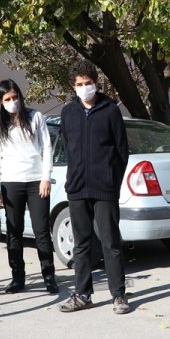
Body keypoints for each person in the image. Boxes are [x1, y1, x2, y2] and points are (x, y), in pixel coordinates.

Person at [58, 59, 131, 315]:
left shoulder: (111, 111)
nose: (84, 87)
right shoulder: (68, 113)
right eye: (79, 84)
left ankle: (118, 295)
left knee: (110, 242)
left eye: (88, 83)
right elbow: (67, 147)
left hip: (105, 189)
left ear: (96, 83)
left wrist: (112, 181)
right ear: (73, 86)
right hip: (77, 188)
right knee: (81, 244)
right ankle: (82, 294)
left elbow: (122, 151)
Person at [0, 79, 59, 294]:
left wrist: (46, 177)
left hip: (37, 182)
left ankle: (49, 276)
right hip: (11, 183)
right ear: (0, 102)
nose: (13, 102)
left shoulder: (35, 117)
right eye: (7, 99)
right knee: (14, 231)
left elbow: (47, 148)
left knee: (41, 230)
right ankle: (17, 278)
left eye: (15, 97)